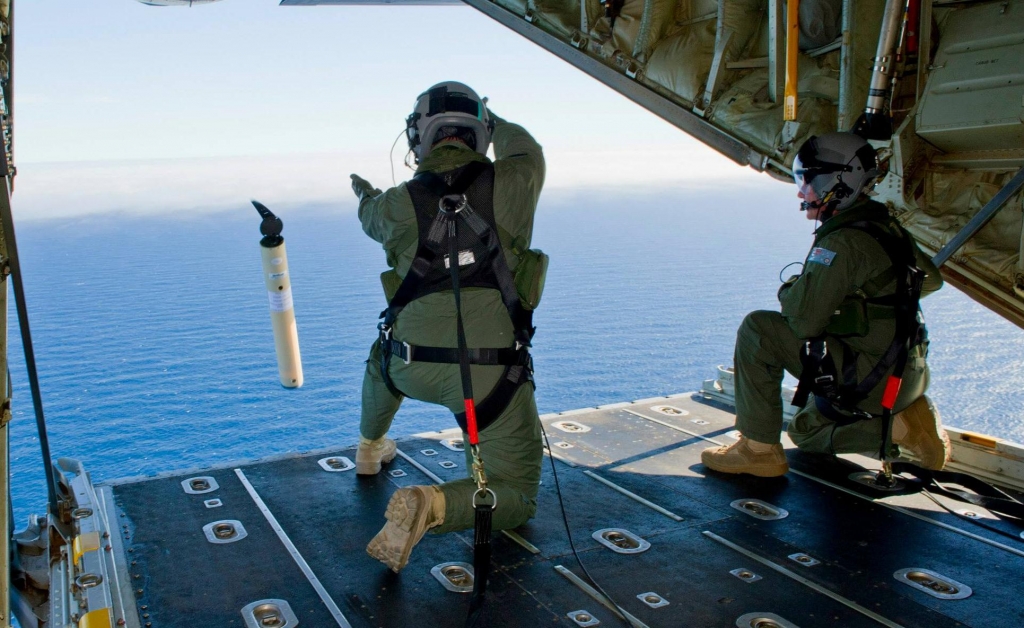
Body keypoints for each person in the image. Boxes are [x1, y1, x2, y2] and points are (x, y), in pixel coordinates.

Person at [349, 81, 547, 573]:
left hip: (409, 365)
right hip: (490, 381)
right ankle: (435, 505)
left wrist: (367, 193)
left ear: (419, 139)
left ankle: (370, 450)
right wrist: (491, 117)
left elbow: (368, 214)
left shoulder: (394, 204)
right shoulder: (517, 180)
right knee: (518, 497)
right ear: (480, 133)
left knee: (381, 359)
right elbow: (528, 148)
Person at [702, 132, 948, 477]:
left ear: (836, 183)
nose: (801, 192)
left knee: (759, 329)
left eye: (806, 181)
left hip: (871, 377)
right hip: (906, 372)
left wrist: (795, 290)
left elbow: (802, 320)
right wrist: (862, 300)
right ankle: (903, 427)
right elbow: (931, 280)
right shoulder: (886, 226)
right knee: (804, 431)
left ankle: (758, 450)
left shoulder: (842, 242)